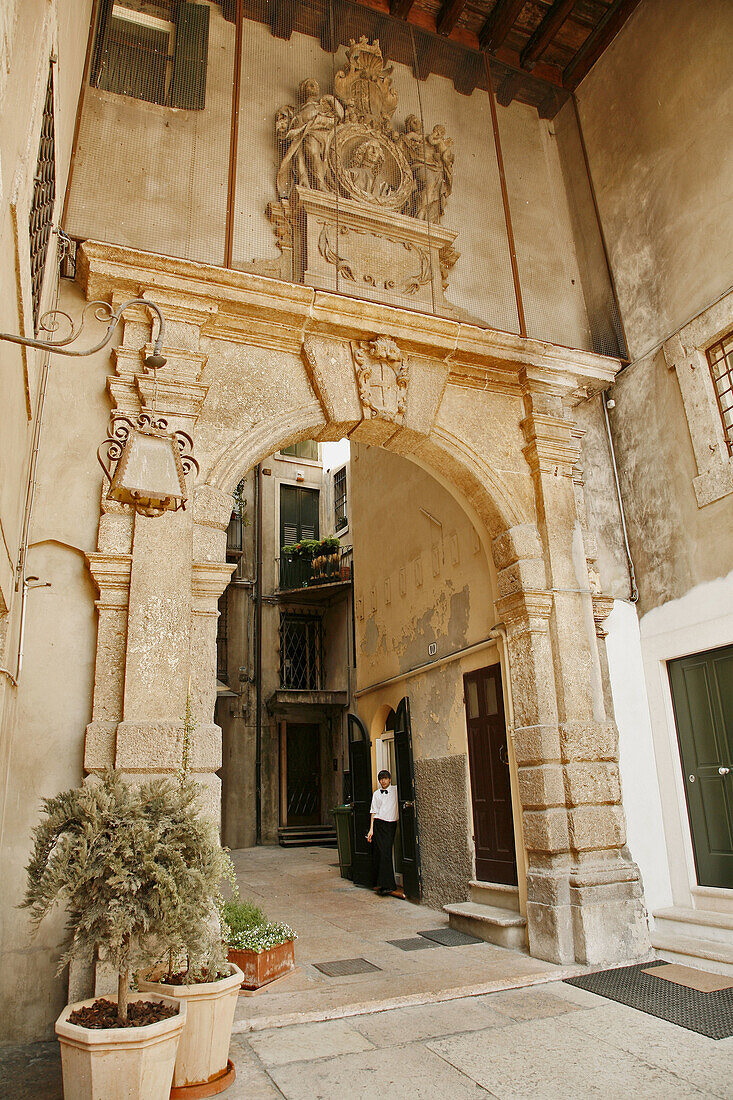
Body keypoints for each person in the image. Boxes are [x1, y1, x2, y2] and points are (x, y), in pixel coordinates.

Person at [367, 769, 404, 897]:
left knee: (386, 853)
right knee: (381, 853)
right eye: (381, 779)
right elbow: (373, 811)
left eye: (385, 778)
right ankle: (384, 885)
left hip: (390, 825)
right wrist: (371, 829)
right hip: (379, 824)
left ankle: (388, 884)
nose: (383, 781)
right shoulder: (376, 794)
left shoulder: (395, 790)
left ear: (389, 779)